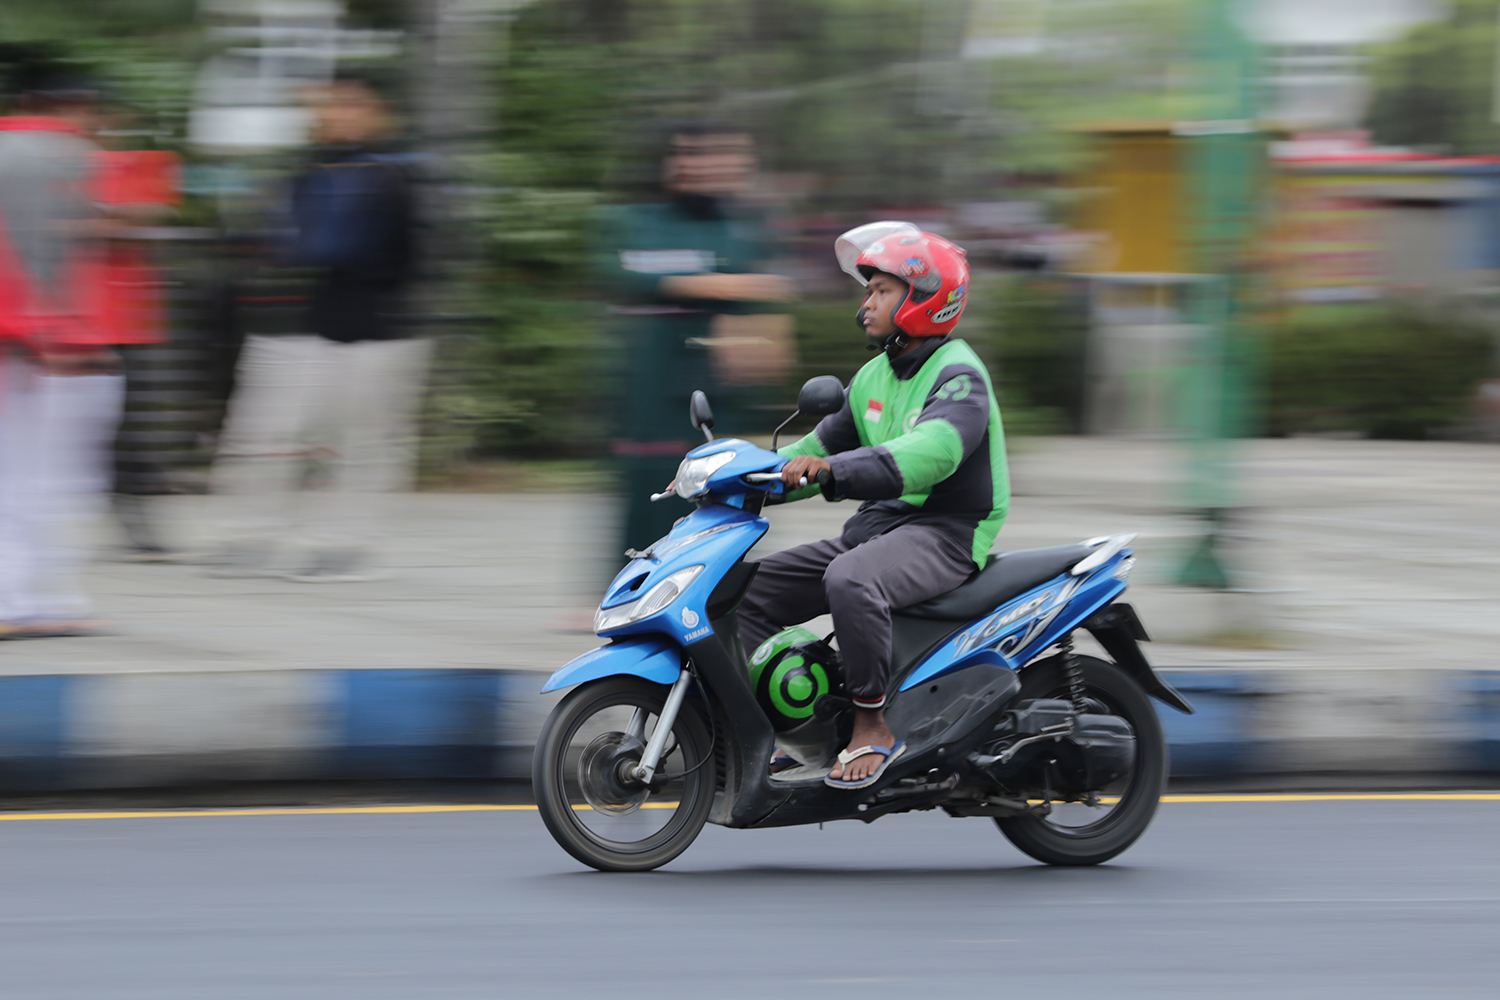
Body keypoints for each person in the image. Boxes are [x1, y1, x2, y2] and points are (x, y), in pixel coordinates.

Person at [737, 221, 1010, 789]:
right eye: (867, 291)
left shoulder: (960, 375)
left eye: (881, 290)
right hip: (881, 528)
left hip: (947, 531)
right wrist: (742, 478)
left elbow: (932, 453)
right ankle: (800, 727)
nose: (866, 304)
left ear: (923, 299)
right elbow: (814, 453)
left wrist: (835, 472)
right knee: (744, 594)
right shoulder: (873, 378)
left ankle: (871, 727)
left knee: (851, 579)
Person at [209, 70, 426, 581]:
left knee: (363, 442)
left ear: (377, 113)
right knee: (263, 434)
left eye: (350, 104)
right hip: (293, 326)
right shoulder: (302, 174)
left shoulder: (396, 175)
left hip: (374, 330)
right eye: (328, 105)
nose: (335, 114)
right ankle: (247, 533)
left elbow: (413, 256)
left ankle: (344, 543)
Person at [598, 123, 795, 564]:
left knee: (726, 485)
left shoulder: (744, 227)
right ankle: (627, 583)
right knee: (649, 489)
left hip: (723, 386)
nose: (706, 166)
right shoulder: (641, 221)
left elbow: (773, 295)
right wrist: (734, 285)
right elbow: (630, 273)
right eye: (694, 155)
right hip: (653, 387)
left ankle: (718, 583)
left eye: (724, 157)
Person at [0, 67, 119, 638]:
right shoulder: (68, 157)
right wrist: (60, 336)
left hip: (18, 333)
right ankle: (18, 601)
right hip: (28, 337)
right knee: (32, 473)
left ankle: (26, 598)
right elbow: (49, 253)